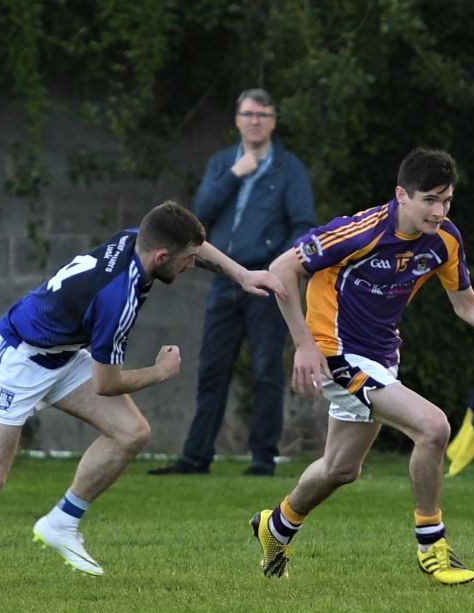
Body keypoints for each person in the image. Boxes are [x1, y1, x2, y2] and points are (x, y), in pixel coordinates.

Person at [0, 202, 285, 587]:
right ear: (161, 257)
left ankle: (61, 523)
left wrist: (243, 274)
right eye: (186, 260)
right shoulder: (117, 299)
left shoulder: (136, 239)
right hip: (17, 358)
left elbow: (194, 243)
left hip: (61, 353)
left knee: (131, 432)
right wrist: (160, 373)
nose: (192, 264)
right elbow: (107, 383)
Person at [249, 149, 474, 585]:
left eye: (447, 200)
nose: (439, 211)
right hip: (336, 352)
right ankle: (431, 546)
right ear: (401, 195)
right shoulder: (360, 230)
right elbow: (281, 268)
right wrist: (303, 345)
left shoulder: (445, 239)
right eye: (429, 200)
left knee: (341, 469)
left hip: (381, 356)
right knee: (434, 427)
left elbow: (467, 304)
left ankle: (276, 527)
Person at [149, 88, 316, 477]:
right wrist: (235, 175)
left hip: (265, 281)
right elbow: (196, 216)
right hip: (225, 280)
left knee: (265, 369)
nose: (254, 120)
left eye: (262, 114)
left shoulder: (289, 169)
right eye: (247, 114)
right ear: (237, 120)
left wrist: (283, 268)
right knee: (212, 368)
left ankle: (262, 458)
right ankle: (196, 457)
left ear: (273, 120)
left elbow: (304, 225)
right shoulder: (222, 163)